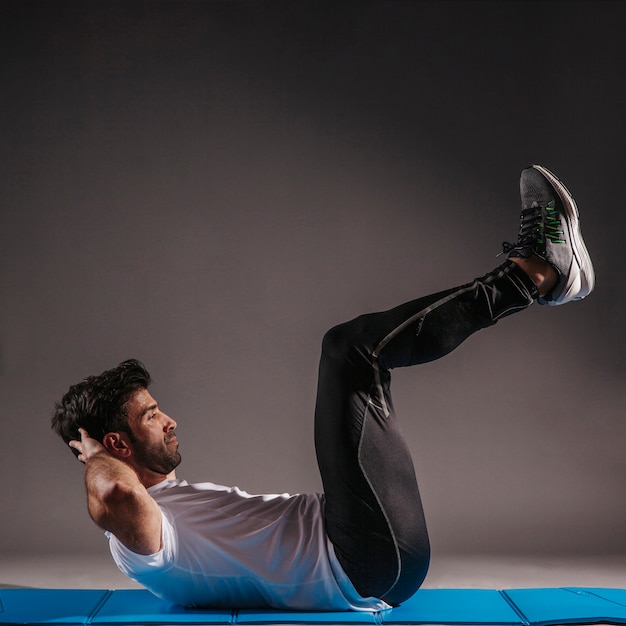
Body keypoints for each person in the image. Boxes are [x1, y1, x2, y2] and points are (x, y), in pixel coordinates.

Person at [52, 165, 594, 611]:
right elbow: (116, 494)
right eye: (149, 416)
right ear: (116, 445)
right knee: (350, 350)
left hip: (364, 546)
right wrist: (94, 454)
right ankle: (536, 273)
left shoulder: (171, 502)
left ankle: (535, 276)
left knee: (360, 361)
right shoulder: (139, 542)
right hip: (362, 558)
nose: (169, 419)